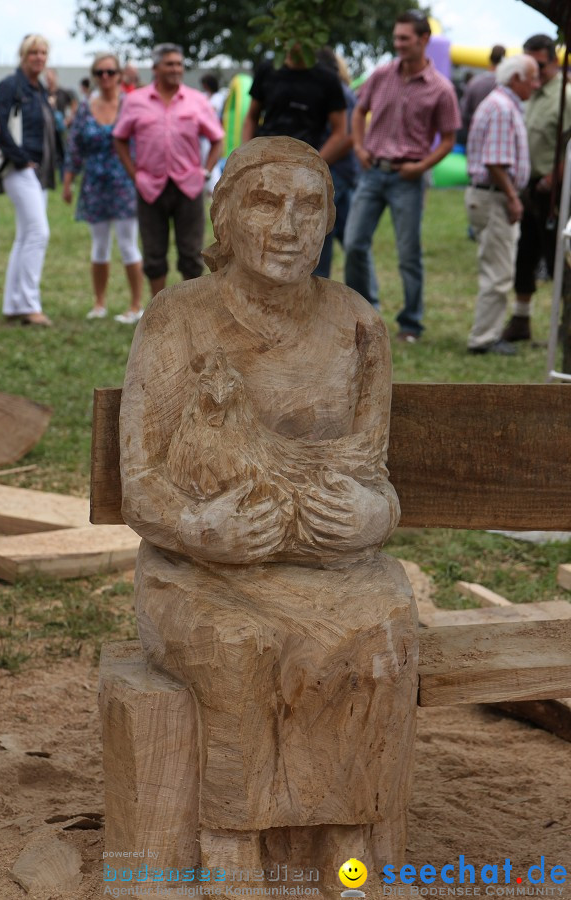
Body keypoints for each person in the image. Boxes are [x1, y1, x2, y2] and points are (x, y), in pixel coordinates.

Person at [119, 136, 415, 869]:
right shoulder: (175, 319)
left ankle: (348, 845)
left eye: (311, 206)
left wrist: (373, 516)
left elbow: (373, 472)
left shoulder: (358, 327)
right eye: (266, 201)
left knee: (373, 639)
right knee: (238, 648)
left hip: (332, 569)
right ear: (224, 217)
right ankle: (232, 843)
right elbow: (140, 480)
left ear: (331, 219)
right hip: (200, 570)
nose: (290, 225)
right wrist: (196, 526)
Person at [343, 10, 460, 343]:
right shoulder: (380, 75)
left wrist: (422, 167)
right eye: (396, 38)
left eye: (405, 38)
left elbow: (449, 140)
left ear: (423, 40)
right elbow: (359, 112)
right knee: (353, 244)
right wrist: (359, 147)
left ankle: (411, 323)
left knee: (408, 253)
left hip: (408, 176)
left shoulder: (441, 89)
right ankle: (360, 314)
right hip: (372, 171)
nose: (398, 44)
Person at [113, 43, 224, 298]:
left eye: (179, 64)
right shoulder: (135, 101)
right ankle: (158, 312)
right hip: (150, 187)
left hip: (189, 186)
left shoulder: (196, 101)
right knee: (153, 254)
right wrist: (134, 175)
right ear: (155, 68)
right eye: (169, 64)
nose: (176, 69)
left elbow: (217, 138)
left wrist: (205, 173)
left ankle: (191, 312)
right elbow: (119, 138)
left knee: (191, 253)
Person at [465, 55, 540, 355]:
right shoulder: (502, 108)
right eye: (532, 78)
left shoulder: (502, 104)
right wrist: (512, 196)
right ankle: (483, 339)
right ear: (517, 78)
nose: (535, 85)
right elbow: (495, 161)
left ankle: (488, 334)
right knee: (498, 272)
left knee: (498, 268)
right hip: (495, 196)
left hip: (493, 194)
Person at [62, 53, 143, 323]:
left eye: (110, 72)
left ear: (119, 75)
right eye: (99, 73)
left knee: (128, 244)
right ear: (94, 76)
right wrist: (67, 181)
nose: (105, 77)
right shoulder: (85, 107)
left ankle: (135, 305)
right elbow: (74, 146)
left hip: (125, 182)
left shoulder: (131, 105)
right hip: (94, 184)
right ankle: (99, 303)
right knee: (99, 245)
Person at [503, 34, 571, 343]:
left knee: (558, 258)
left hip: (555, 189)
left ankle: (565, 323)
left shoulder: (566, 95)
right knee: (525, 255)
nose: (534, 69)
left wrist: (552, 180)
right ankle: (521, 319)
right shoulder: (528, 95)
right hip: (529, 186)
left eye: (540, 63)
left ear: (554, 61)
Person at [0, 34, 57, 327]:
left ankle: (13, 305)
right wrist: (20, 158)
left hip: (39, 171)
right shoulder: (10, 85)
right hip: (19, 168)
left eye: (43, 53)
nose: (39, 58)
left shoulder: (40, 88)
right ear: (23, 55)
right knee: (38, 233)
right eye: (34, 52)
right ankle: (29, 305)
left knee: (24, 236)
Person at [241, 47, 347, 163]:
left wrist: (315, 164)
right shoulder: (267, 69)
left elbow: (339, 132)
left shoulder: (328, 79)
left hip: (305, 165)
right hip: (264, 161)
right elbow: (251, 117)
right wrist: (247, 156)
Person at [314, 47, 360, 279]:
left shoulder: (340, 93)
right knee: (347, 242)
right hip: (336, 173)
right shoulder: (340, 91)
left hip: (337, 175)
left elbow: (349, 137)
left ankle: (364, 301)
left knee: (328, 242)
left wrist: (315, 163)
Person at [460, 44, 506, 142]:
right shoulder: (506, 85)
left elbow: (464, 112)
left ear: (490, 58)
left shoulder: (474, 82)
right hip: (500, 138)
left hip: (475, 136)